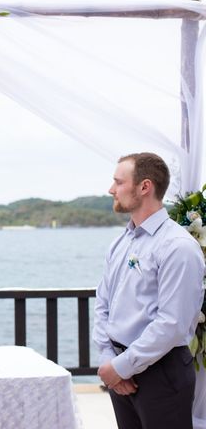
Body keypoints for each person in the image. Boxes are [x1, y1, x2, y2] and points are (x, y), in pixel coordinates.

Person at [93, 152, 205, 429]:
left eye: (118, 182)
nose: (111, 189)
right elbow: (103, 303)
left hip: (162, 373)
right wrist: (109, 358)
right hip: (121, 366)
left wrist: (120, 368)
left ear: (144, 187)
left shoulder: (178, 247)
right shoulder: (120, 242)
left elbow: (172, 324)